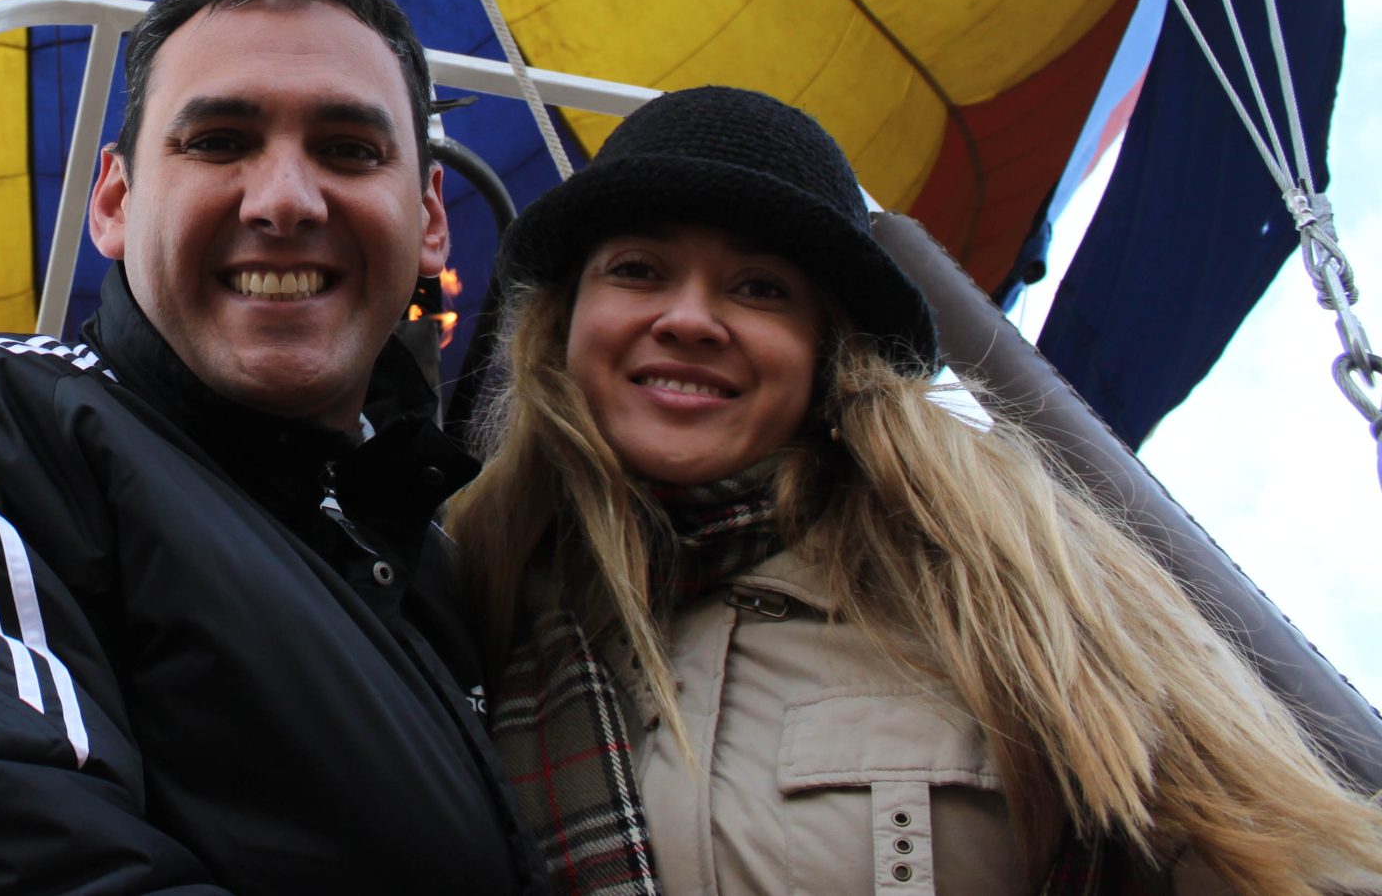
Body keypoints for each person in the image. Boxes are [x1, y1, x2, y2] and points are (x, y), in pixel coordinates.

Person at [0, 0, 537, 894]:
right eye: (220, 141)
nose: (283, 201)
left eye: (350, 150)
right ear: (111, 201)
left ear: (431, 218)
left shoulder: (449, 561)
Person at [449, 84, 1382, 896]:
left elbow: (1274, 853)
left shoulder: (1014, 593)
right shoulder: (463, 613)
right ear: (565, 324)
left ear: (829, 347)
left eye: (761, 288)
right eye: (638, 270)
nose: (689, 317)